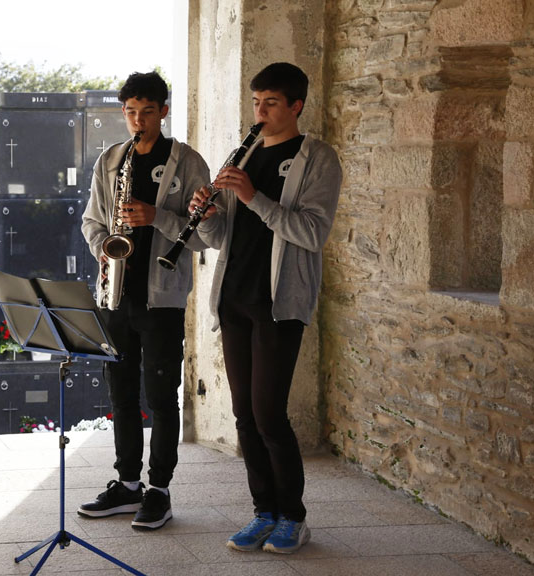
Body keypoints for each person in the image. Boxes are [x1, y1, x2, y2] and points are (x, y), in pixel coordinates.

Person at [188, 62, 342, 553]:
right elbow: (218, 238)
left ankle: (293, 517)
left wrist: (252, 197)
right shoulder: (245, 154)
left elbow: (312, 233)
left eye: (270, 103)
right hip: (234, 297)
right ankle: (263, 511)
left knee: (268, 413)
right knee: (243, 415)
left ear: (296, 106)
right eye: (256, 102)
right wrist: (206, 214)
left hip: (279, 303)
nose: (260, 112)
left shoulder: (317, 158)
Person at [78, 71, 211, 531]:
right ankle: (127, 484)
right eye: (131, 112)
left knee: (160, 395)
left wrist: (157, 217)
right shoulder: (111, 160)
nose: (138, 121)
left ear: (164, 111)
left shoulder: (188, 161)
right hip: (116, 293)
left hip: (162, 300)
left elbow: (208, 235)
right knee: (120, 390)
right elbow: (91, 220)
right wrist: (102, 247)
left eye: (148, 112)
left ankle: (159, 490)